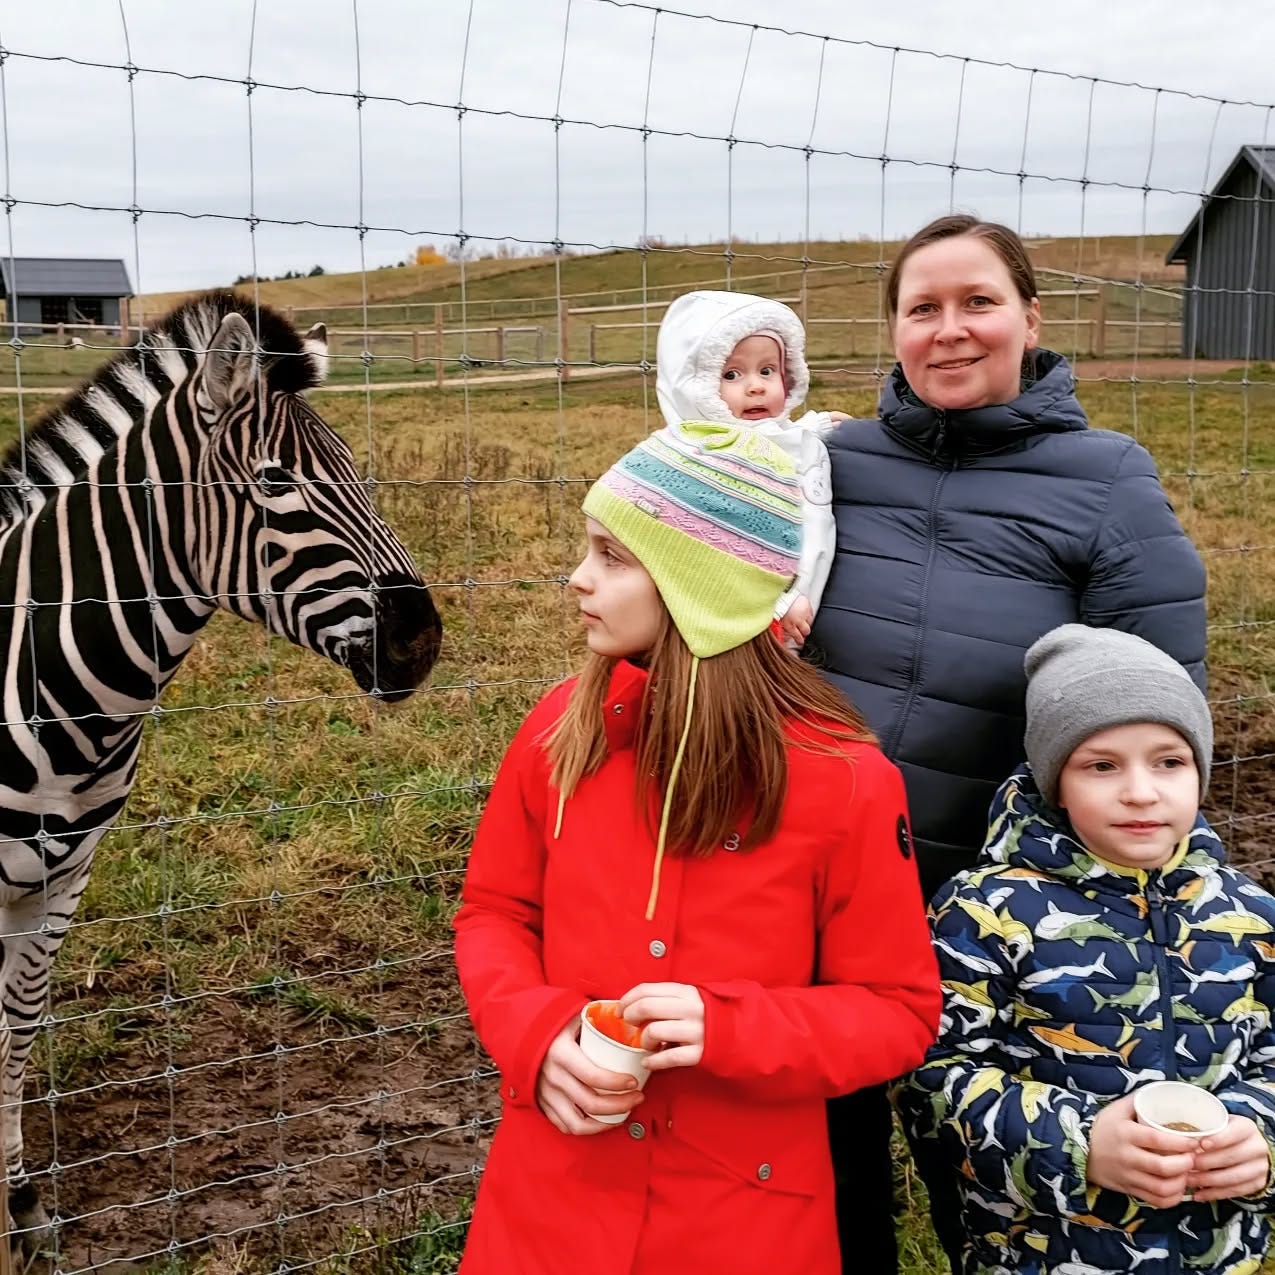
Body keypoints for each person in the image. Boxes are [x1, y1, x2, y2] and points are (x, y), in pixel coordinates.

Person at [806, 214, 1207, 1273]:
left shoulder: (1105, 479)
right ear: (893, 330)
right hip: (816, 901)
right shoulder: (826, 463)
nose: (949, 329)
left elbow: (1158, 720)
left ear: (1030, 318)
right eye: (922, 308)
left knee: (1000, 1190)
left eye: (977, 302)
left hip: (1002, 919)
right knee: (824, 1186)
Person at [453, 419, 940, 1275]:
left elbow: (896, 1010)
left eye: (612, 556)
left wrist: (732, 1027)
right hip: (552, 1202)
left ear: (697, 583)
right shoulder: (559, 731)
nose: (578, 578)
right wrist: (537, 1036)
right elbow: (494, 911)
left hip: (739, 1221)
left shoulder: (845, 779)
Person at [894, 623, 1275, 1275]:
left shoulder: (1250, 914)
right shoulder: (985, 911)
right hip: (1040, 1256)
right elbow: (930, 1078)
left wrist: (1260, 1137)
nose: (1140, 791)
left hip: (1216, 1257)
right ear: (1055, 782)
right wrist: (1081, 1144)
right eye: (1101, 765)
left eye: (1169, 761)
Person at [657, 289, 840, 648]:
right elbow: (726, 553)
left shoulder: (779, 438)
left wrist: (817, 426)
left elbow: (778, 437)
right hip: (753, 625)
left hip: (804, 614)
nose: (756, 386)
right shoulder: (711, 463)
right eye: (731, 374)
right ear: (694, 386)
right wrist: (781, 604)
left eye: (767, 370)